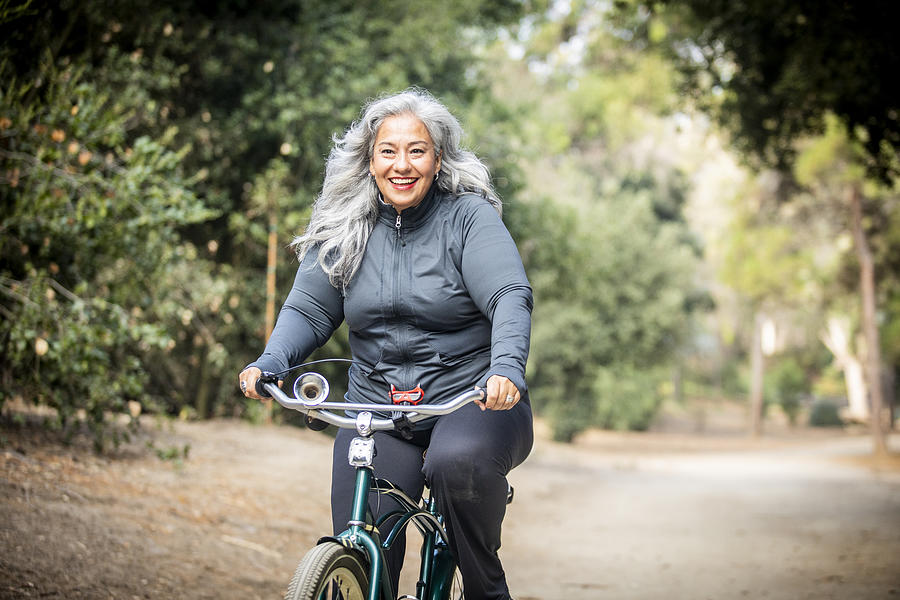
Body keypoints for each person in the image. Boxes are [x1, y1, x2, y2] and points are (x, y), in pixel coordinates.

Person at [239, 88, 533, 600]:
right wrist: (270, 363)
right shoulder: (345, 226)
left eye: (417, 150)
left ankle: (486, 590)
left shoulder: (468, 218)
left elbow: (509, 294)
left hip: (472, 400)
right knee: (365, 534)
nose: (403, 164)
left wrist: (505, 367)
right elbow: (309, 308)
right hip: (377, 408)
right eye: (388, 151)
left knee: (455, 464)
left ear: (437, 159)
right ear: (369, 160)